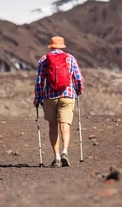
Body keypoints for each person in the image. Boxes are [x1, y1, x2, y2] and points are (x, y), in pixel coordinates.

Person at [34, 36, 84, 167]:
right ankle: (65, 152)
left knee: (52, 127)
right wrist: (78, 91)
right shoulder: (70, 58)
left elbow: (40, 80)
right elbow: (78, 78)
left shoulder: (44, 59)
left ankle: (56, 158)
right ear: (62, 47)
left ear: (51, 46)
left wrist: (38, 98)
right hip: (67, 96)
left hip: (50, 97)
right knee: (65, 125)